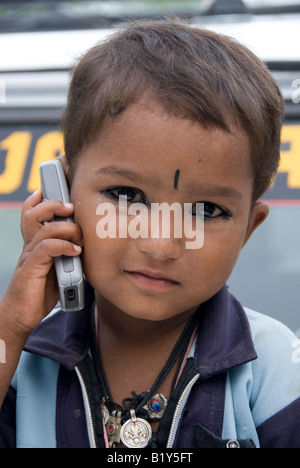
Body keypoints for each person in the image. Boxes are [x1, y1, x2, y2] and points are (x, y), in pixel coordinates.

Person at [0, 19, 299, 449]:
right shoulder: (23, 360)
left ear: (248, 228)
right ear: (61, 196)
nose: (160, 244)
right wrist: (11, 324)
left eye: (207, 211)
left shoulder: (276, 369)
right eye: (126, 195)